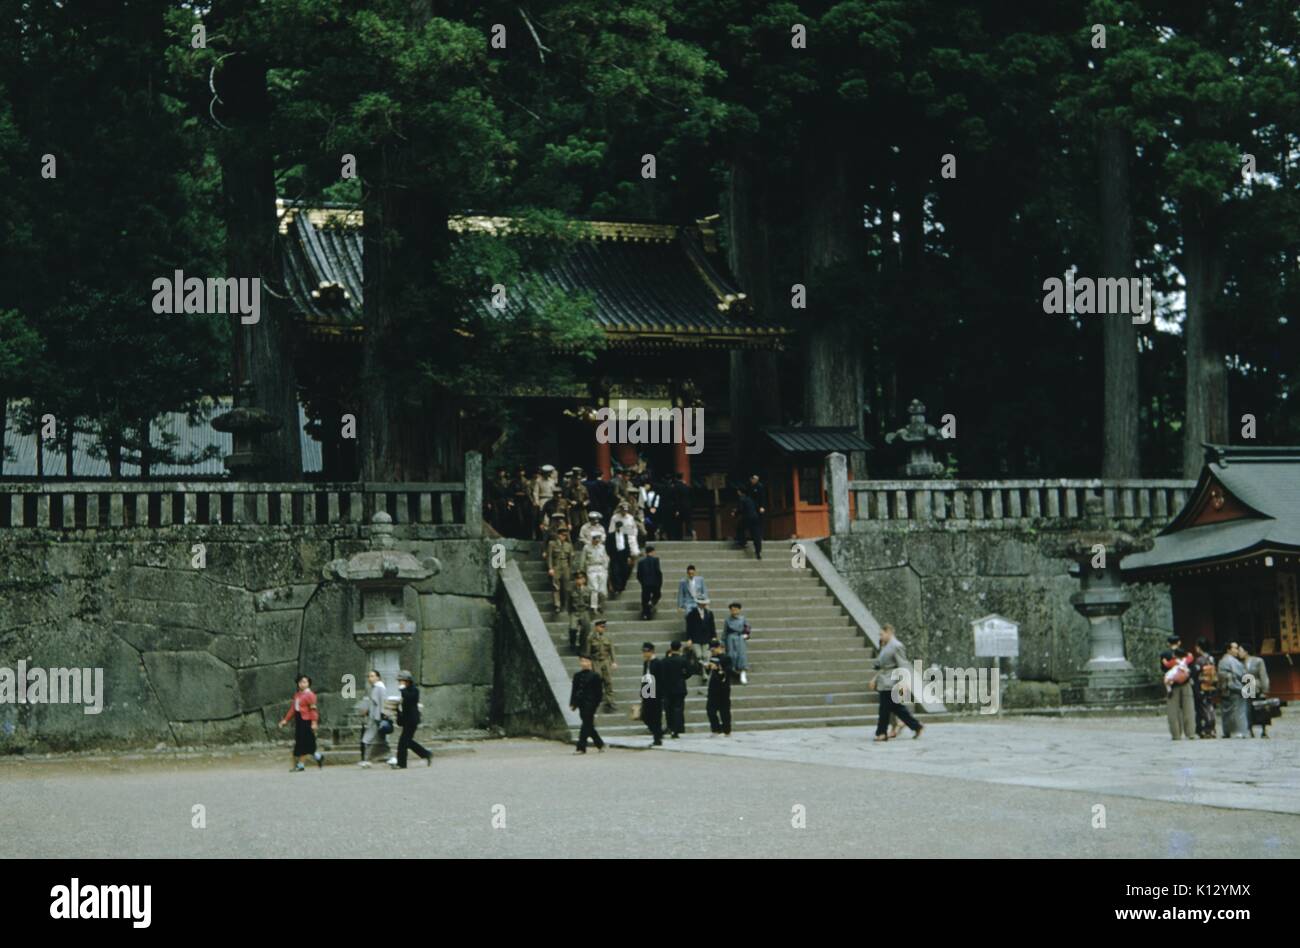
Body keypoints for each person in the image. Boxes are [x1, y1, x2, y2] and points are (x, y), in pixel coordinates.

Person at [870, 624, 923, 741]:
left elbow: (903, 664)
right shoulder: (886, 646)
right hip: (885, 680)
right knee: (897, 708)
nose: (880, 636)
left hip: (891, 681)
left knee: (885, 708)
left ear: (889, 632)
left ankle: (881, 732)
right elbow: (881, 663)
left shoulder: (896, 646)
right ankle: (916, 726)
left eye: (882, 634)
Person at [279, 674, 324, 771]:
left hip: (306, 720)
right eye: (301, 682)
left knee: (304, 742)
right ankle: (317, 756)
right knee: (303, 742)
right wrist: (286, 719)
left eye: (305, 682)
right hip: (299, 720)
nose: (302, 684)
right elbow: (293, 709)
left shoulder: (310, 695)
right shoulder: (297, 695)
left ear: (308, 683)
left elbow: (313, 710)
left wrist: (314, 722)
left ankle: (301, 765)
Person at [389, 670, 432, 768]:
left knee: (403, 742)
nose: (400, 683)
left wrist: (403, 690)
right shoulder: (405, 690)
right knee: (407, 741)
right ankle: (425, 754)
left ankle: (402, 764)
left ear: (407, 681)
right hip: (407, 719)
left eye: (401, 680)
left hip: (412, 719)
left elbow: (409, 698)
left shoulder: (414, 690)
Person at [570, 655, 606, 754]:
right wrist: (573, 703)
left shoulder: (595, 676)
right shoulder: (577, 675)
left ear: (590, 662)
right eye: (582, 661)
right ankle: (599, 743)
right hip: (581, 703)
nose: (583, 663)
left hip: (591, 703)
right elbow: (574, 690)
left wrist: (596, 704)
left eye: (586, 661)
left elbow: (599, 693)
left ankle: (581, 747)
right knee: (588, 724)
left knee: (585, 724)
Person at [1161, 638, 1195, 740]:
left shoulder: (1165, 654)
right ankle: (1190, 733)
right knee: (1188, 708)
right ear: (1179, 642)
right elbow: (1192, 667)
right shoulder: (1186, 655)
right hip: (1186, 683)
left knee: (1173, 710)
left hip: (1172, 685)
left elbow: (1163, 667)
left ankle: (1176, 734)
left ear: (1168, 643)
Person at [1217, 642, 1249, 738]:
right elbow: (1241, 674)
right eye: (1235, 648)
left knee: (1226, 711)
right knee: (1239, 710)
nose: (1237, 650)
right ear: (1228, 650)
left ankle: (1227, 731)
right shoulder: (1232, 661)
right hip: (1235, 688)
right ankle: (1241, 731)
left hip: (1225, 688)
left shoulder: (1222, 661)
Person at [1241, 643, 1272, 737]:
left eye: (1240, 650)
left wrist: (1265, 689)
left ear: (1246, 652)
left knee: (1261, 709)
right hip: (1247, 688)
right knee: (1248, 710)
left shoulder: (1258, 661)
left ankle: (1264, 729)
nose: (1239, 653)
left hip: (1257, 687)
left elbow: (1263, 675)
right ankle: (1249, 729)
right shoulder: (1240, 663)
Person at [546, 522, 576, 619]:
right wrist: (550, 568)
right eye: (562, 534)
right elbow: (549, 557)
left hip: (565, 567)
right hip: (556, 566)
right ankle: (557, 605)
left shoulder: (568, 545)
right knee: (556, 586)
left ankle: (564, 604)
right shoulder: (552, 544)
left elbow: (571, 558)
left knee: (566, 587)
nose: (564, 536)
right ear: (558, 535)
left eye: (565, 535)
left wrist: (570, 569)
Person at [358, 668, 388, 767]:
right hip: (374, 716)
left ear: (378, 677)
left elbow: (382, 702)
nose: (370, 678)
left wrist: (382, 715)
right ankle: (389, 757)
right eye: (369, 676)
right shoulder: (375, 688)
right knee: (380, 740)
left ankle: (367, 759)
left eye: (372, 676)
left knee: (367, 738)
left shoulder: (380, 688)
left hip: (377, 717)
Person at [588, 618, 618, 713]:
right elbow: (588, 652)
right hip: (595, 661)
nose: (603, 628)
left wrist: (614, 661)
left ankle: (610, 702)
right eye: (601, 627)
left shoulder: (607, 638)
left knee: (608, 681)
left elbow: (611, 650)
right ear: (596, 627)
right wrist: (589, 663)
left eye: (604, 627)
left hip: (605, 661)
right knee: (598, 679)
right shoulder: (590, 638)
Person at [660, 640, 690, 738]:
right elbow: (690, 671)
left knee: (669, 709)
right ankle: (677, 729)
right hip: (679, 687)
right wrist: (683, 676)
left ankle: (670, 726)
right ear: (680, 648)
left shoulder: (664, 661)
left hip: (667, 688)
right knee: (678, 708)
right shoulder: (683, 660)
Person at [576, 530, 610, 610]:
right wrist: (581, 570)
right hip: (591, 568)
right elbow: (582, 559)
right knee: (594, 588)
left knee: (602, 589)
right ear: (592, 539)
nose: (597, 540)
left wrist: (605, 568)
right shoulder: (587, 547)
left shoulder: (602, 547)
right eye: (595, 538)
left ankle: (601, 604)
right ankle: (593, 606)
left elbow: (606, 558)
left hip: (601, 568)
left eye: (598, 538)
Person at [1192, 638, 1217, 738]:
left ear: (1199, 647)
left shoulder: (1200, 660)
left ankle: (1206, 729)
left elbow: (1195, 674)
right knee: (1210, 707)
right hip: (1210, 686)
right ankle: (1211, 729)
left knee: (1202, 708)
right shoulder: (1211, 659)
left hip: (1201, 686)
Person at [706, 640, 733, 736]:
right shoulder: (712, 657)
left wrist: (718, 668)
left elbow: (728, 672)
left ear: (718, 647)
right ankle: (715, 728)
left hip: (723, 687)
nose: (712, 652)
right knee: (710, 709)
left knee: (724, 709)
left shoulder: (726, 658)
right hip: (713, 686)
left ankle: (727, 729)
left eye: (713, 650)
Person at [640, 642, 664, 746]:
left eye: (647, 651)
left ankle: (657, 738)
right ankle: (657, 732)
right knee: (646, 716)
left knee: (656, 716)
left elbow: (662, 679)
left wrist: (660, 693)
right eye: (644, 651)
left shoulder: (658, 663)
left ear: (652, 651)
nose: (645, 654)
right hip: (647, 692)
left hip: (656, 693)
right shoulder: (646, 663)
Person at [723, 601, 751, 685]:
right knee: (731, 655)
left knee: (741, 655)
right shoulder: (727, 620)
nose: (734, 611)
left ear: (739, 610)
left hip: (740, 638)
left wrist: (746, 634)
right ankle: (732, 673)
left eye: (736, 609)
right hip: (730, 638)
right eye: (732, 609)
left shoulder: (743, 619)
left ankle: (743, 674)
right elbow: (725, 632)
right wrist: (722, 642)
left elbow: (747, 628)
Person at [733, 488, 763, 559]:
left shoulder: (742, 499)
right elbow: (756, 507)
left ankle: (743, 542)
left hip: (747, 517)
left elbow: (741, 509)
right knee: (756, 535)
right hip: (755, 517)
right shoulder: (751, 499)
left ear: (739, 492)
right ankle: (758, 552)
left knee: (740, 528)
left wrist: (735, 513)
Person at [636, 543, 664, 620]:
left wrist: (642, 582)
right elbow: (658, 572)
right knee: (657, 595)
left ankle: (645, 615)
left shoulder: (641, 562)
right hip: (654, 583)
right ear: (652, 552)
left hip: (645, 584)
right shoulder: (655, 560)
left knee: (645, 599)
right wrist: (659, 582)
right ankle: (651, 603)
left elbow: (638, 575)